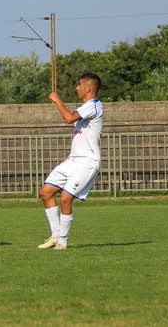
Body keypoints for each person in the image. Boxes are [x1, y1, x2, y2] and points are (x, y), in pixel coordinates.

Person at [37, 73, 104, 250]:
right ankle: (55, 236)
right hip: (73, 160)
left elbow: (69, 119)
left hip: (87, 162)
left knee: (66, 199)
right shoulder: (86, 107)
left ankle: (63, 242)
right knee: (45, 192)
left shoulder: (94, 105)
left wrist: (57, 100)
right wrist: (71, 154)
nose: (77, 88)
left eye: (79, 85)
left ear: (88, 88)